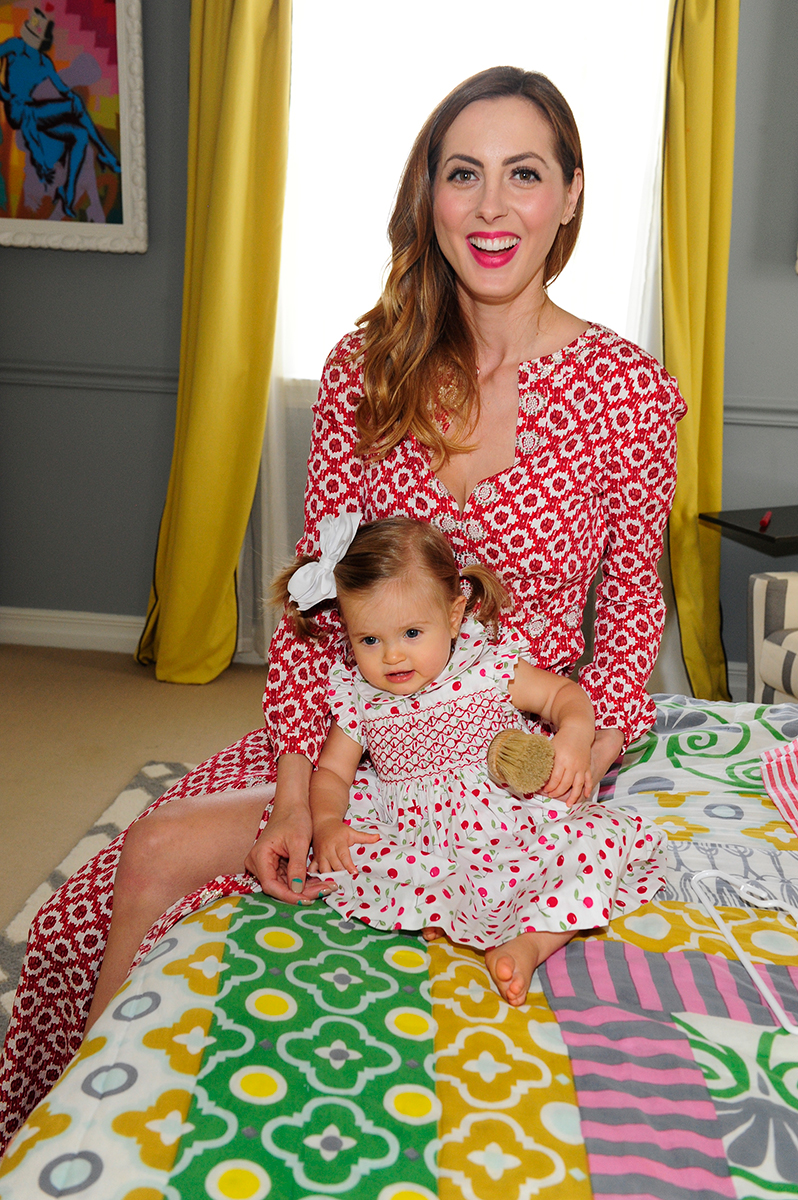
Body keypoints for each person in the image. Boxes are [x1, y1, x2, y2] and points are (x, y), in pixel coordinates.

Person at [0, 65, 686, 1151]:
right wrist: (289, 795)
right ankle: (64, 1142)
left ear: (571, 194)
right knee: (108, 886)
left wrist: (587, 746)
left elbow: (634, 607)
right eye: (465, 175)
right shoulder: (367, 370)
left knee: (161, 859)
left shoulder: (626, 391)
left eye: (524, 174)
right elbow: (316, 618)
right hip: (353, 734)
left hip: (500, 757)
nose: (493, 207)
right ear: (429, 195)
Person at [278, 514, 665, 1006]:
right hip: (419, 841)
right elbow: (332, 771)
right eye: (369, 640)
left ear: (456, 614)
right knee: (362, 860)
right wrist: (329, 822)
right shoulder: (359, 696)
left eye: (412, 633)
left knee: (593, 843)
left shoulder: (488, 667)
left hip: (512, 825)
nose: (392, 656)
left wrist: (573, 735)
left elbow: (564, 696)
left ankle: (529, 943)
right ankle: (443, 909)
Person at [0, 7, 121, 219]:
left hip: (37, 114)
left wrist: (69, 97)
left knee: (79, 135)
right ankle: (105, 153)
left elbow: (61, 88)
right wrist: (4, 94)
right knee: (74, 105)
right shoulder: (14, 47)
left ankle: (68, 190)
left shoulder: (45, 62)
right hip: (21, 114)